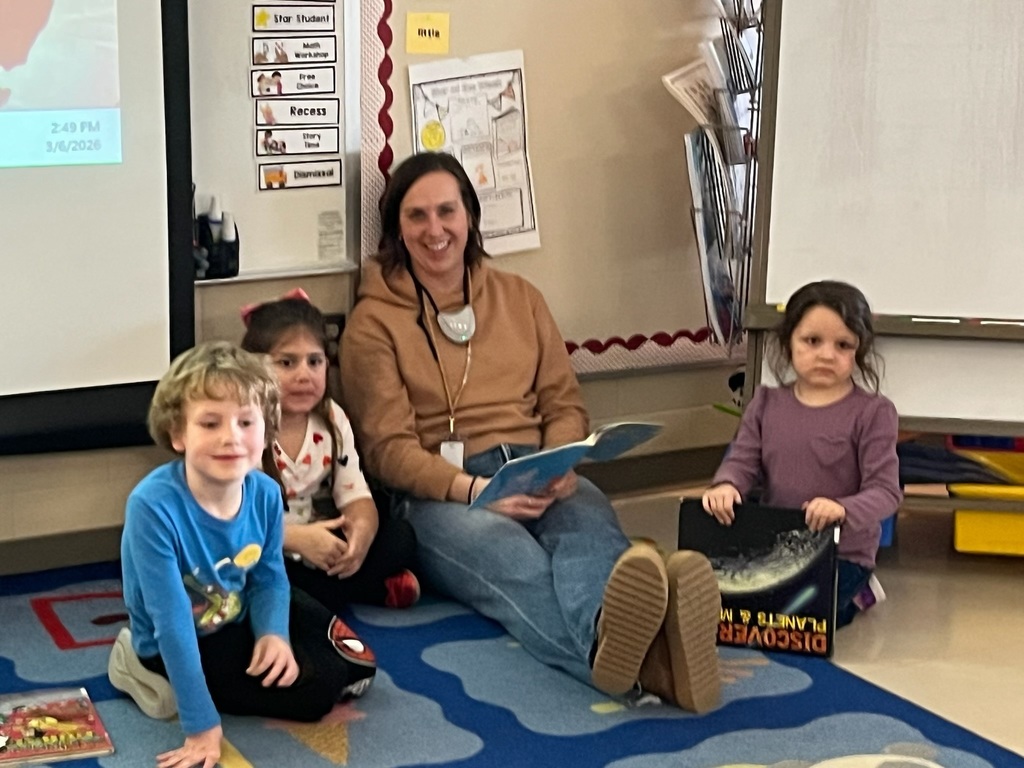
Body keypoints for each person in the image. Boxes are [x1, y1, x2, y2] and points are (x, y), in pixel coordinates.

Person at [340, 151, 722, 712]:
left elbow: (563, 402)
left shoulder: (520, 297)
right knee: (513, 561)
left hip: (535, 464)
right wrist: (476, 491)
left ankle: (624, 640)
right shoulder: (371, 324)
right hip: (440, 492)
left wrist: (560, 460)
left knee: (589, 531)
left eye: (447, 211)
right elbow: (386, 451)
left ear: (470, 216)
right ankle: (645, 659)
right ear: (397, 228)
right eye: (416, 215)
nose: (434, 229)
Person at [108, 342, 376, 768]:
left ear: (266, 432)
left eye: (246, 422)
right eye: (210, 423)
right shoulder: (152, 506)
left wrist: (274, 634)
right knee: (318, 692)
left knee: (356, 663)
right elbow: (172, 620)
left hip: (238, 608)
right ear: (178, 434)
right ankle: (136, 664)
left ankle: (280, 651)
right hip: (182, 636)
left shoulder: (265, 493)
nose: (230, 436)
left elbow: (269, 578)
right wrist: (201, 726)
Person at [702, 280, 902, 627]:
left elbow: (886, 492)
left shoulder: (873, 412)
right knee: (733, 608)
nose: (826, 355)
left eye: (843, 345)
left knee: (799, 618)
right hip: (776, 547)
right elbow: (742, 462)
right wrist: (727, 486)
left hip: (842, 553)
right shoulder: (765, 403)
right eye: (812, 341)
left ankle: (861, 591)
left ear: (858, 350)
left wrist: (843, 508)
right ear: (789, 342)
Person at [239, 289, 420, 613]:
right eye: (286, 363)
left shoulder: (332, 418)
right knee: (255, 575)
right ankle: (359, 591)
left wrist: (360, 537)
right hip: (263, 543)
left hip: (320, 540)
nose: (304, 375)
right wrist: (296, 539)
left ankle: (332, 591)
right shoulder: (241, 427)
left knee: (399, 537)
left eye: (315, 361)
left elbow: (355, 494)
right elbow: (228, 523)